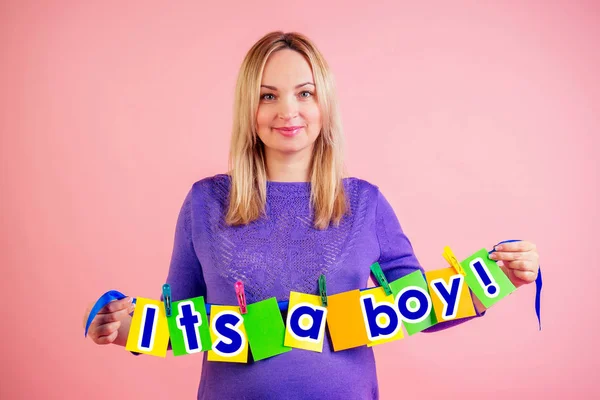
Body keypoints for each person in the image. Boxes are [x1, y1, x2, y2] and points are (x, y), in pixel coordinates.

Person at [84, 31, 540, 399]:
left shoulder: (365, 203)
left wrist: (500, 279)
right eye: (267, 96)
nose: (288, 110)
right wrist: (123, 329)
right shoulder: (205, 203)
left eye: (305, 92)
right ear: (249, 107)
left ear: (324, 103)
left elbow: (421, 306)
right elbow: (176, 320)